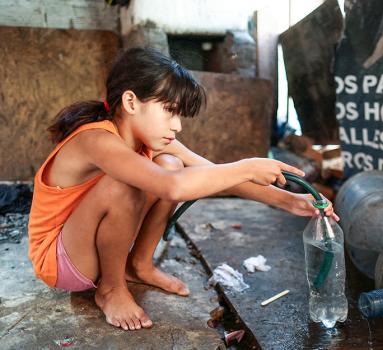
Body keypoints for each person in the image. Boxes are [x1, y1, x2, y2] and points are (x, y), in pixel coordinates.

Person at [28, 47, 338, 331]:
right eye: (170, 111)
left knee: (173, 165)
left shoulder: (149, 139)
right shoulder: (95, 140)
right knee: (127, 184)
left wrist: (290, 201)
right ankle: (110, 289)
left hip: (90, 248)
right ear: (131, 102)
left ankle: (138, 265)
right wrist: (247, 165)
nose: (177, 126)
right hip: (63, 260)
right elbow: (173, 188)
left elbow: (210, 172)